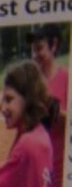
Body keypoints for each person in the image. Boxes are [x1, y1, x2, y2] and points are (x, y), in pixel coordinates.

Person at [0, 58, 60, 187]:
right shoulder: (40, 134)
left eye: (9, 99)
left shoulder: (26, 146)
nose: (3, 107)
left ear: (28, 99)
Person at [28, 21, 68, 171]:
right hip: (40, 169)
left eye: (39, 49)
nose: (34, 55)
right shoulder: (32, 84)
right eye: (32, 50)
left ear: (54, 45)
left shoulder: (66, 78)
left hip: (62, 169)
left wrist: (53, 109)